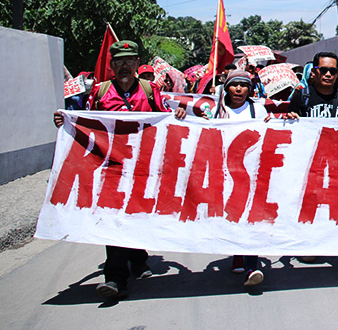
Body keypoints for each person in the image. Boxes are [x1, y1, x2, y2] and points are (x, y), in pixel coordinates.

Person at [53, 40, 187, 300]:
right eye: (119, 61)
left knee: (137, 215)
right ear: (112, 65)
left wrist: (179, 114)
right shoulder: (101, 92)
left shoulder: (150, 90)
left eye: (130, 61)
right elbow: (86, 121)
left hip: (144, 168)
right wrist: (65, 120)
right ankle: (115, 279)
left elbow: (165, 120)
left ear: (137, 64)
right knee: (114, 217)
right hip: (111, 167)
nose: (125, 66)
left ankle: (138, 258)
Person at [286, 52, 338, 274]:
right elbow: (289, 129)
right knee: (311, 204)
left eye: (334, 71)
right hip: (310, 163)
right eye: (324, 70)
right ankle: (310, 243)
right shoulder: (301, 97)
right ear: (314, 72)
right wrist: (290, 119)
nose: (329, 74)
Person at [209, 70, 272, 286]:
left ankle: (251, 266)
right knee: (233, 214)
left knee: (250, 215)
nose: (239, 89)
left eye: (243, 85)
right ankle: (237, 251)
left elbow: (268, 133)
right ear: (226, 88)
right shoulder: (216, 110)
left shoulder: (257, 109)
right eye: (234, 85)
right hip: (223, 170)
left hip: (251, 171)